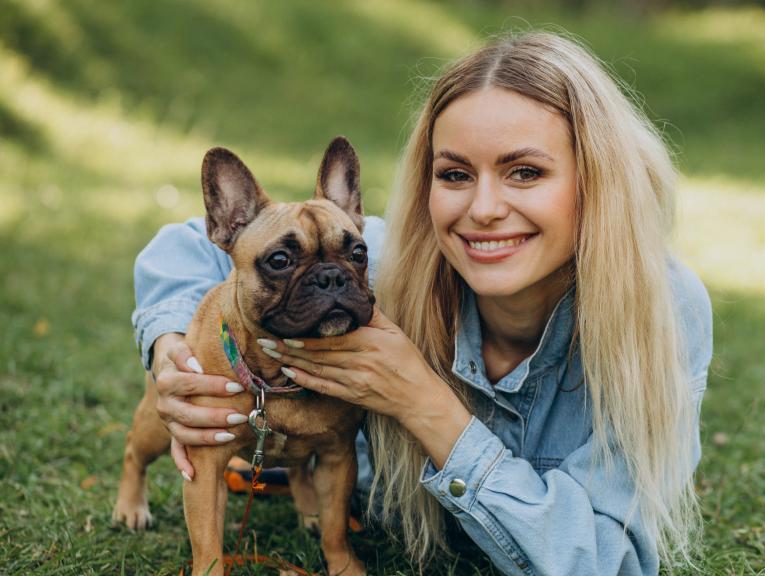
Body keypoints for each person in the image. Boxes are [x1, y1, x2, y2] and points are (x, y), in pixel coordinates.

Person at [132, 31, 712, 575]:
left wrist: (427, 404)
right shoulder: (385, 262)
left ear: (597, 180)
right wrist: (169, 349)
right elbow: (187, 246)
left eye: (525, 171)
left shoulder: (658, 313)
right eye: (455, 173)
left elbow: (608, 561)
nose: (484, 208)